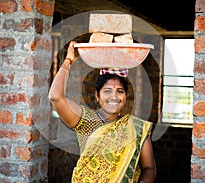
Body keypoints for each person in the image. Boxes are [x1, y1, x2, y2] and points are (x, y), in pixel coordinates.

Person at [49, 41, 156, 183]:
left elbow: (149, 168)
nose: (114, 97)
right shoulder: (86, 120)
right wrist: (68, 61)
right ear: (97, 96)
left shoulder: (137, 129)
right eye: (107, 91)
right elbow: (55, 97)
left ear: (125, 96)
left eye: (120, 91)